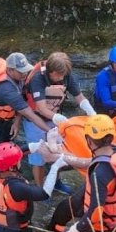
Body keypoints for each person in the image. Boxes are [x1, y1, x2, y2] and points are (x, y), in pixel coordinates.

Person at [22, 52, 96, 190]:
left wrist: (92, 113)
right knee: (39, 158)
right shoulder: (38, 79)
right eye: (59, 75)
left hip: (54, 118)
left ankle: (57, 182)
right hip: (35, 120)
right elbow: (42, 109)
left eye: (64, 75)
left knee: (59, 153)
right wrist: (59, 119)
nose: (61, 78)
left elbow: (79, 97)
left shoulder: (66, 75)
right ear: (51, 72)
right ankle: (39, 189)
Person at [0, 52, 52, 153]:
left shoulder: (19, 77)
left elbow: (23, 97)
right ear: (9, 70)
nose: (25, 73)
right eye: (21, 71)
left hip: (6, 120)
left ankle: (14, 165)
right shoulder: (6, 89)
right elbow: (30, 115)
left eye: (25, 70)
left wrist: (17, 121)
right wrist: (50, 131)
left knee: (10, 147)